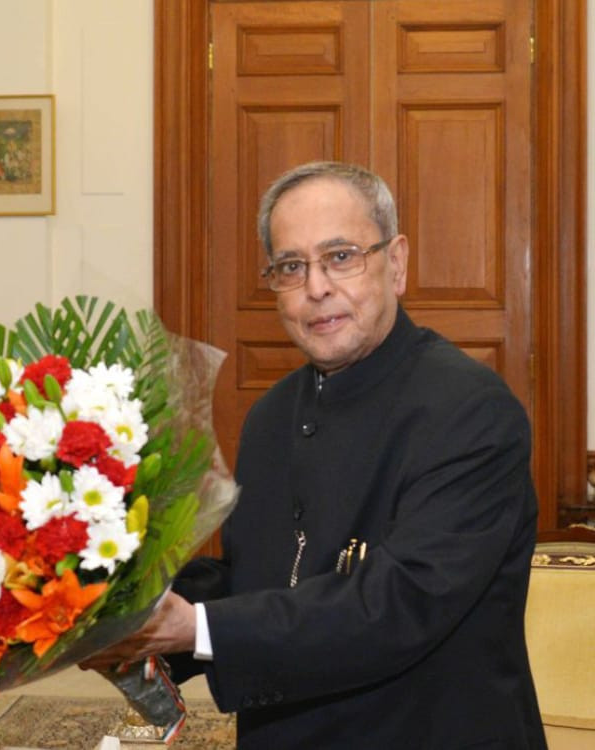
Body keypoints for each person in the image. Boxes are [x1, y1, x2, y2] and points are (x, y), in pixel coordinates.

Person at [86, 161, 547, 748]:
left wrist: (194, 628)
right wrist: (120, 607)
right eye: (290, 266)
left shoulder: (472, 411)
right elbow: (264, 579)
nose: (317, 287)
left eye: (341, 256)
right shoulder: (271, 414)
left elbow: (397, 606)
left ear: (397, 262)